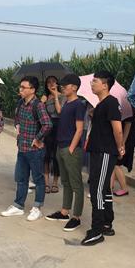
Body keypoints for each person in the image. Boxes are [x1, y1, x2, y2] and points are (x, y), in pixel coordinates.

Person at [81, 71, 124, 246]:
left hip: (105, 152)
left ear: (105, 85)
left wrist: (120, 147)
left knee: (97, 190)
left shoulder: (111, 103)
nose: (92, 84)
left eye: (95, 81)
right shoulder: (101, 104)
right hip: (98, 151)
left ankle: (97, 230)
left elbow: (118, 129)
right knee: (104, 188)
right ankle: (107, 223)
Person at [1, 76, 52, 221]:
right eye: (20, 87)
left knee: (38, 179)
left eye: (24, 87)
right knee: (21, 178)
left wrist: (38, 138)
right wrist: (17, 127)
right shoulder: (20, 103)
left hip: (35, 151)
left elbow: (47, 124)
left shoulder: (38, 105)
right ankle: (18, 206)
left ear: (33, 90)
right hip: (22, 148)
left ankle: (37, 208)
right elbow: (17, 118)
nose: (20, 89)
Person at [45, 74, 86, 231]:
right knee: (66, 182)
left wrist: (71, 148)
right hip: (61, 147)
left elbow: (80, 129)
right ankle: (64, 212)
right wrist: (56, 96)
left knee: (76, 184)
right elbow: (60, 112)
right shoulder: (67, 103)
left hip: (70, 149)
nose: (62, 87)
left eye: (65, 85)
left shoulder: (78, 104)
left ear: (74, 87)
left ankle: (76, 217)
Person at [41, 75, 65, 194]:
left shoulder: (62, 96)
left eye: (53, 82)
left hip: (58, 126)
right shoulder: (45, 98)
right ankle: (46, 183)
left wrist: (55, 96)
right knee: (46, 155)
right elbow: (40, 113)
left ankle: (55, 182)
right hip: (47, 126)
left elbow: (60, 112)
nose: (51, 84)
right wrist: (41, 102)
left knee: (56, 156)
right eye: (48, 82)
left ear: (57, 83)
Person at [111, 108, 135, 197]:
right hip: (122, 137)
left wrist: (122, 143)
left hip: (127, 138)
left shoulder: (127, 106)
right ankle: (110, 186)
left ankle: (124, 188)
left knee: (116, 163)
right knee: (113, 162)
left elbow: (128, 124)